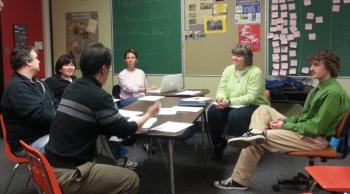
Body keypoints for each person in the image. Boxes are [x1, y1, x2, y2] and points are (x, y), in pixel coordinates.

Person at [213, 50, 350, 191]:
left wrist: (285, 125)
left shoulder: (333, 93)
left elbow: (316, 128)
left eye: (316, 65)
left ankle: (239, 181)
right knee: (263, 109)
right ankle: (255, 132)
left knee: (255, 142)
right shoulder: (319, 89)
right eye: (311, 65)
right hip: (307, 132)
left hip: (315, 139)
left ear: (329, 67)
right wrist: (286, 122)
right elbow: (305, 117)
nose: (311, 68)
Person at [45, 42, 160, 194]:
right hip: (68, 172)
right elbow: (125, 130)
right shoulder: (98, 96)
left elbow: (95, 122)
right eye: (110, 67)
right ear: (104, 69)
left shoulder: (72, 87)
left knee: (113, 164)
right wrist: (149, 114)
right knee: (131, 179)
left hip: (49, 164)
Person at [207, 44, 270, 161]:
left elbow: (251, 97)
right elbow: (222, 88)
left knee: (235, 116)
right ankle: (218, 145)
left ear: (247, 58)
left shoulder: (255, 72)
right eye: (234, 55)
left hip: (254, 105)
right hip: (232, 104)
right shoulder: (228, 70)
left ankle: (247, 149)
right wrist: (220, 98)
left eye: (239, 56)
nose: (235, 58)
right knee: (212, 111)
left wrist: (229, 102)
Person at [1, 47, 56, 155]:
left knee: (74, 137)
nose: (39, 61)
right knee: (70, 143)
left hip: (44, 134)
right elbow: (39, 116)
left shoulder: (38, 82)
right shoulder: (17, 87)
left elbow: (55, 101)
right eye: (36, 58)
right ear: (28, 62)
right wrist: (65, 120)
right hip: (29, 142)